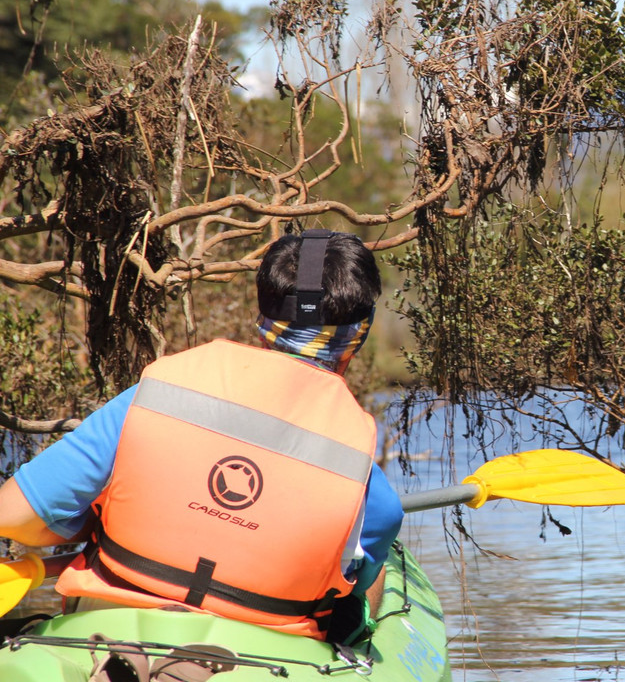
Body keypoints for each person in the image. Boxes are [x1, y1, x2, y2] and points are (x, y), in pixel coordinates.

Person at [0, 229, 403, 644]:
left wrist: (94, 526)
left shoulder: (154, 395)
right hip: (267, 652)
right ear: (361, 332)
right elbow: (349, 584)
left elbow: (13, 515)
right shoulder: (373, 492)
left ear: (262, 316)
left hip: (110, 627)